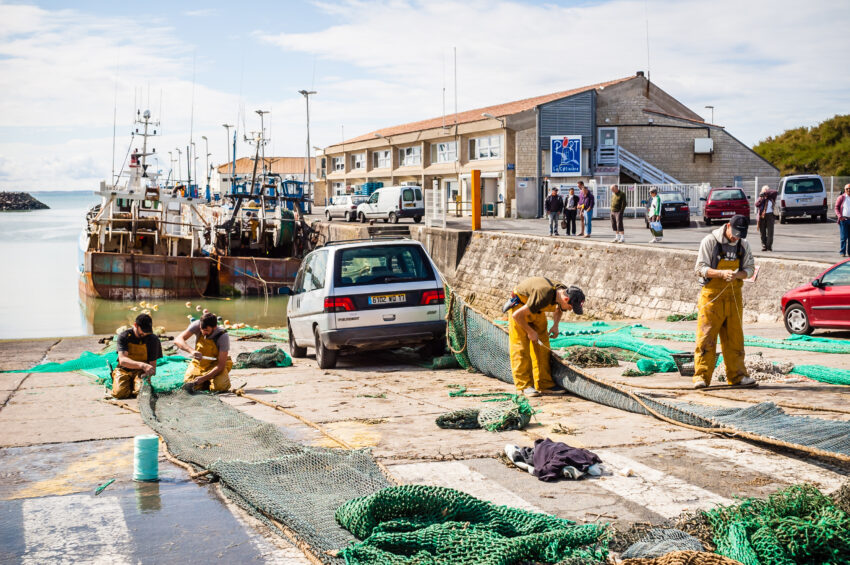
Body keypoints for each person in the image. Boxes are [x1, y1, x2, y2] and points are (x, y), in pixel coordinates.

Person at [693, 214, 756, 390]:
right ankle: (701, 377)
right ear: (727, 226)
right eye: (734, 233)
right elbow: (699, 269)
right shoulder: (710, 241)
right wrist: (720, 274)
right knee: (706, 338)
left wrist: (737, 275)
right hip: (711, 297)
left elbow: (750, 270)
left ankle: (738, 376)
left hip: (734, 296)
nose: (736, 237)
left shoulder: (743, 245)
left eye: (739, 235)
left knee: (735, 338)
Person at [505, 277, 585, 397]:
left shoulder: (562, 291)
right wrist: (530, 331)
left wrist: (555, 325)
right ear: (566, 298)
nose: (570, 310)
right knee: (521, 348)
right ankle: (524, 386)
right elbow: (517, 315)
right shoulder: (544, 295)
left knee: (543, 348)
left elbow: (559, 308)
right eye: (571, 307)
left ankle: (544, 384)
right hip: (520, 308)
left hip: (536, 310)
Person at [175, 312, 233, 393]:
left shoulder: (223, 335)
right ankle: (206, 382)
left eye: (207, 330)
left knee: (220, 387)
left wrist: (204, 378)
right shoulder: (197, 325)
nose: (203, 333)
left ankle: (208, 380)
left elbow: (221, 365)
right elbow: (178, 340)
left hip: (216, 365)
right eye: (202, 330)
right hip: (199, 364)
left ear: (215, 327)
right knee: (190, 385)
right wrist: (192, 351)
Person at [111, 313, 162, 399]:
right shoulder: (124, 336)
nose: (145, 333)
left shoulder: (153, 339)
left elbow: (153, 366)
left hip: (141, 372)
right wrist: (142, 365)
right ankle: (125, 381)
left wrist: (148, 376)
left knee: (142, 393)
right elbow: (122, 361)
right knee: (120, 393)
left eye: (147, 331)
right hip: (124, 369)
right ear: (135, 325)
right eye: (143, 330)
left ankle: (134, 384)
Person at [755, 185, 778, 251]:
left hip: (770, 216)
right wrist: (761, 198)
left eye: (767, 191)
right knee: (762, 232)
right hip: (762, 216)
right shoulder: (761, 198)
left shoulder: (772, 197)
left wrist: (766, 193)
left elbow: (775, 192)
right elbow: (756, 204)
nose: (765, 192)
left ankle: (769, 246)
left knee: (770, 232)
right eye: (764, 191)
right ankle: (764, 246)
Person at [836, 184, 850, 257]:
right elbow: (836, 208)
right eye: (847, 189)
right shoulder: (841, 197)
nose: (848, 190)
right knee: (843, 237)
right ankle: (842, 252)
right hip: (844, 220)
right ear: (845, 189)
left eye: (849, 188)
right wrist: (840, 216)